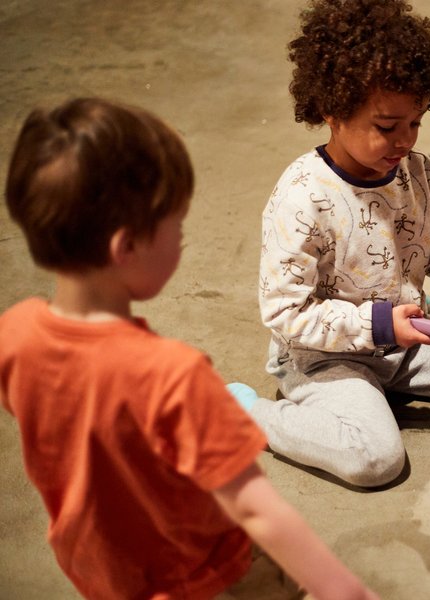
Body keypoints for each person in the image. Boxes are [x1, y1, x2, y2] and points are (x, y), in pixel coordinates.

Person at [0, 97, 376, 600]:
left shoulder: (14, 335)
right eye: (176, 225)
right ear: (125, 247)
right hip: (206, 576)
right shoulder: (172, 375)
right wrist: (346, 591)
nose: (183, 239)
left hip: (101, 573)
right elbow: (253, 507)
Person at [252, 0, 430, 488]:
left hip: (406, 333)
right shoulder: (303, 196)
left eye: (415, 122)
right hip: (323, 354)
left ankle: (375, 394)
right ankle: (251, 415)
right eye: (386, 127)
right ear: (333, 111)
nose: (405, 140)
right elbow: (285, 312)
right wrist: (377, 325)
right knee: (374, 460)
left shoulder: (419, 173)